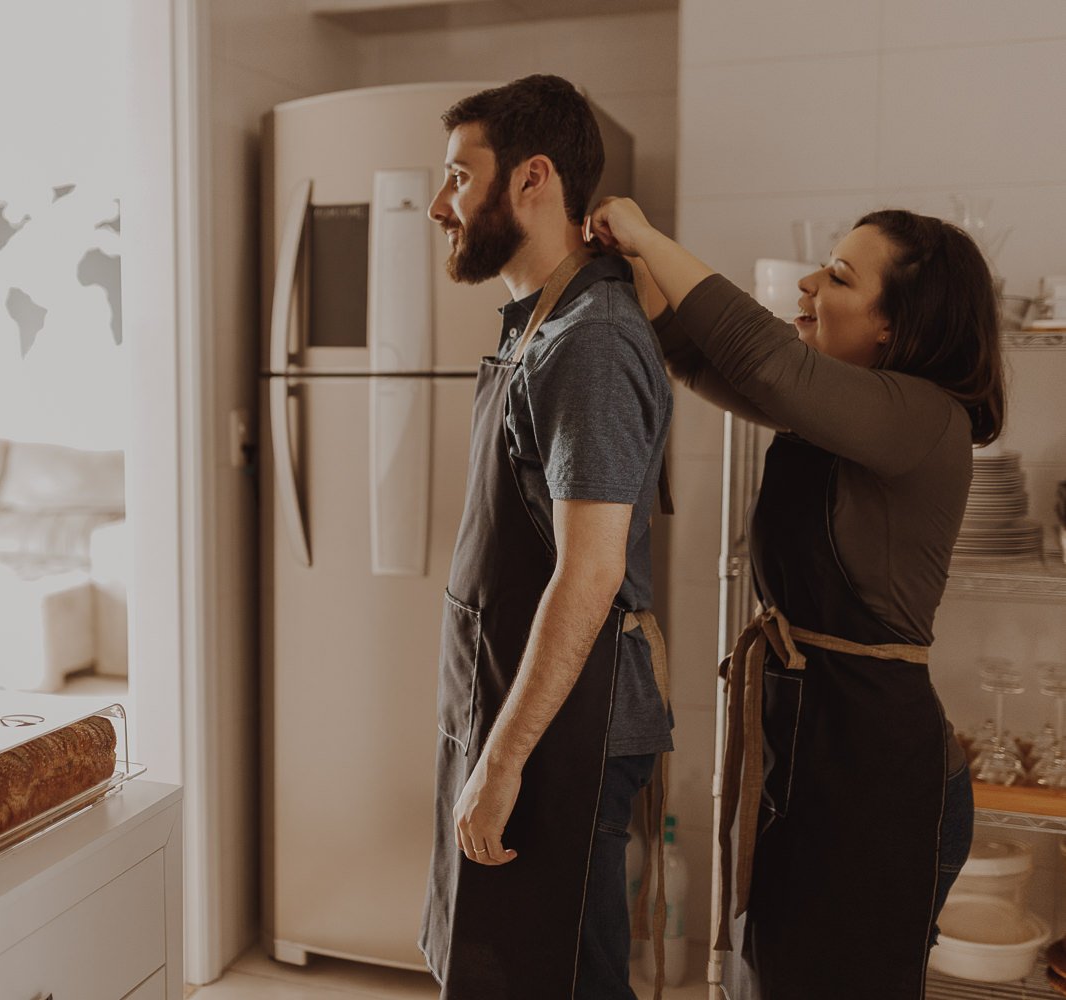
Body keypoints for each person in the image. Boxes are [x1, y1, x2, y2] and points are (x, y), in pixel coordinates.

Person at [589, 195, 1004, 998]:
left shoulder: (925, 418)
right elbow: (715, 362)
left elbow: (768, 363)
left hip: (880, 783)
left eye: (840, 276)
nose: (810, 282)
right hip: (813, 760)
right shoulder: (836, 418)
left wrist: (649, 237)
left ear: (894, 324)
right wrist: (641, 292)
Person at [419, 75, 675, 1000]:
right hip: (514, 702)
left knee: (558, 979)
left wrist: (502, 761)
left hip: (571, 729)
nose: (441, 204)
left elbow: (591, 572)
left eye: (458, 176)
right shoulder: (543, 323)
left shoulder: (591, 341)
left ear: (531, 180)